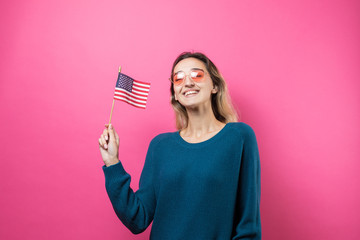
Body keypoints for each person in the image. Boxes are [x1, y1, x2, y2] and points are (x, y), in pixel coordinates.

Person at [98, 51, 261, 239]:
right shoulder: (160, 146)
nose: (188, 83)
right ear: (175, 93)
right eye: (178, 78)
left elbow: (248, 227)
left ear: (215, 85)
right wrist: (112, 163)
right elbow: (138, 218)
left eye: (197, 75)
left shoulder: (239, 137)